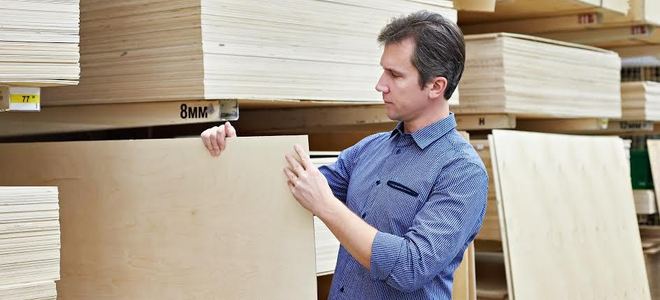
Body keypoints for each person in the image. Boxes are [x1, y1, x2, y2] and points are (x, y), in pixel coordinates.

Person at [201, 10, 487, 300]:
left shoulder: (462, 172)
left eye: (395, 75)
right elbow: (293, 186)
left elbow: (410, 266)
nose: (380, 85)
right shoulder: (370, 149)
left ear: (436, 86)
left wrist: (326, 206)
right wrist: (236, 153)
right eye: (383, 70)